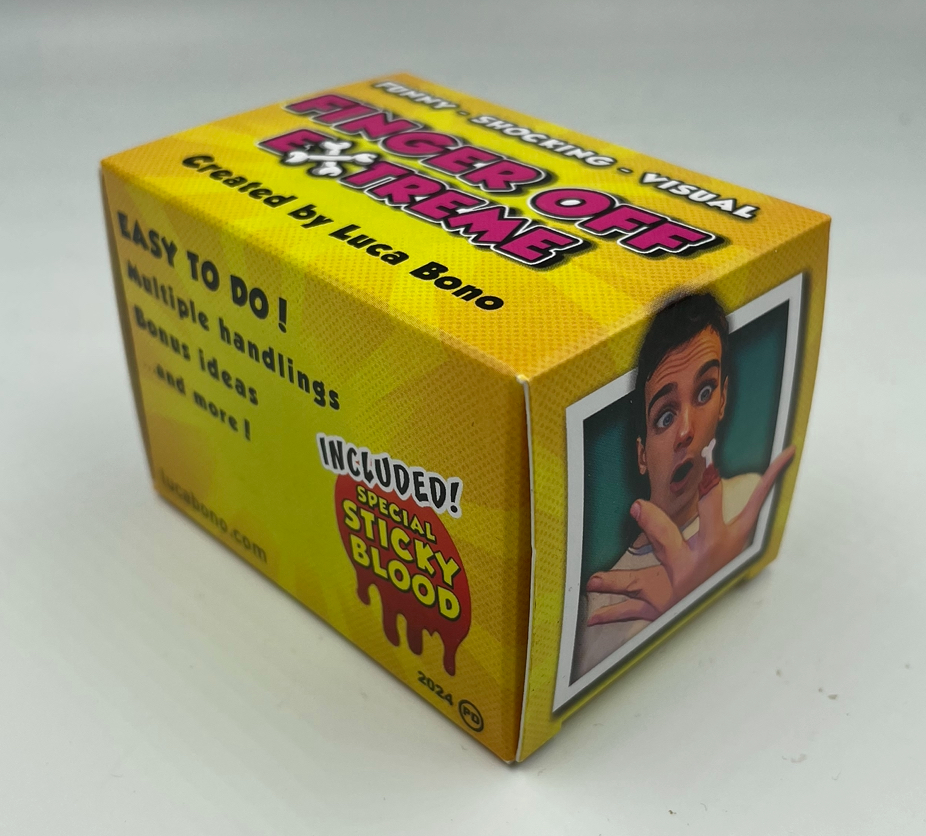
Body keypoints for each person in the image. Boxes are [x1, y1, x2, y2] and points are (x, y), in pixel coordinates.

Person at [573, 293, 794, 679]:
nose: (687, 431)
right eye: (665, 416)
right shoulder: (601, 606)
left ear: (723, 399)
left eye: (705, 392)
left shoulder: (750, 499)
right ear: (642, 455)